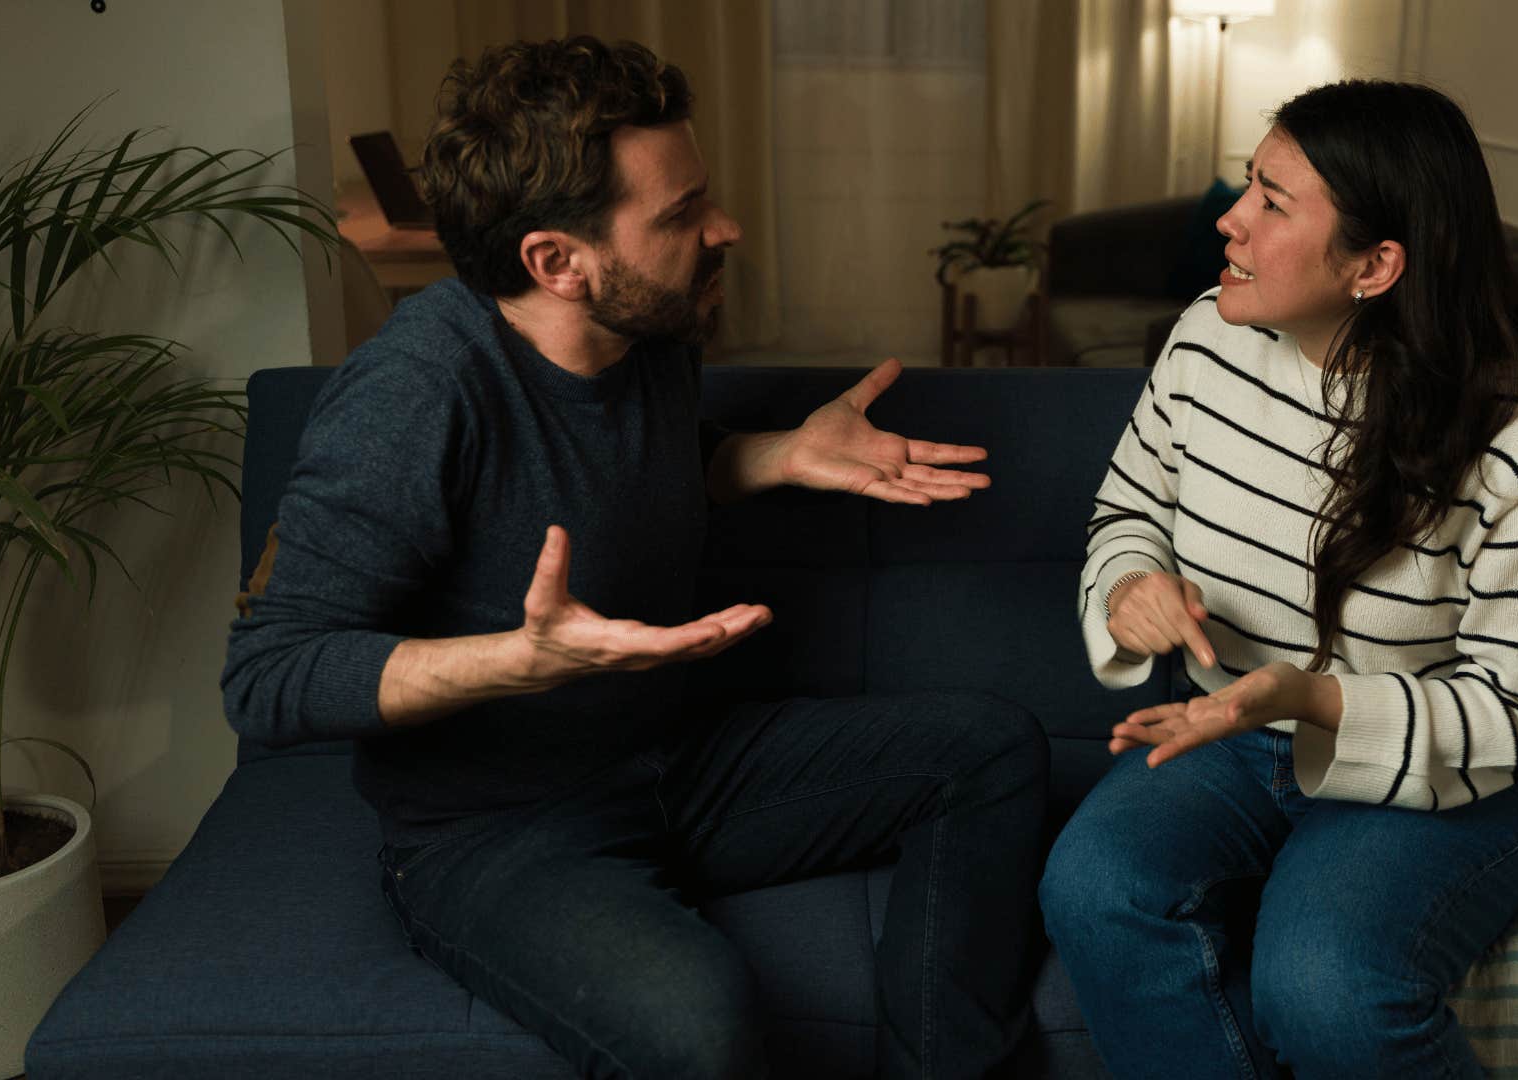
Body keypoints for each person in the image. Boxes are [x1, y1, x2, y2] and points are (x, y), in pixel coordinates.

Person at [222, 36, 1049, 1080]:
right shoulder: (411, 397)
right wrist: (512, 662)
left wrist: (775, 455)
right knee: (699, 1030)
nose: (724, 228)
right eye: (679, 216)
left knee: (989, 749)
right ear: (556, 261)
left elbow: (614, 469)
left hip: (676, 761)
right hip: (496, 831)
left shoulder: (649, 327)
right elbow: (267, 676)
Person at [1038, 80, 1518, 1079]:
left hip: (1444, 785)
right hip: (1233, 734)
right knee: (1093, 882)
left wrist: (1311, 698)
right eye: (1248, 184)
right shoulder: (1204, 341)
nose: (1231, 219)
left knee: (1323, 984)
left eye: (1271, 202)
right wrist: (1133, 584)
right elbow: (1128, 512)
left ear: (1375, 264)